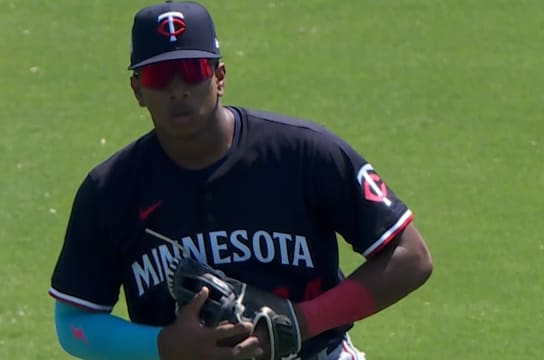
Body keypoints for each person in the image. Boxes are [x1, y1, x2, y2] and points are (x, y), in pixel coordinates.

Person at [48, 1, 433, 359]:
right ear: (138, 90)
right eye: (159, 75)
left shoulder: (303, 153)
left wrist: (302, 321)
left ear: (219, 76)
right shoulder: (110, 191)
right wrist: (164, 345)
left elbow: (411, 257)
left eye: (193, 70)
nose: (178, 89)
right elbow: (74, 325)